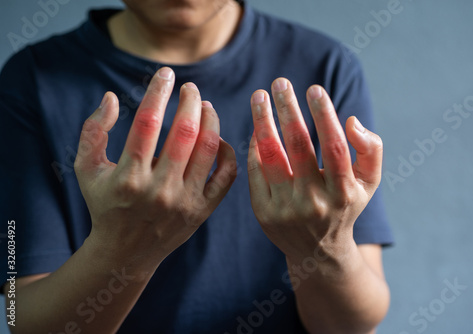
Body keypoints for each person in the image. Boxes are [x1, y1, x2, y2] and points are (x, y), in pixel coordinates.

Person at [0, 0, 393, 333]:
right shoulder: (30, 79)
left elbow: (352, 324)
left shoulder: (325, 67)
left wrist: (325, 245)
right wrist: (122, 249)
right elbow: (19, 314)